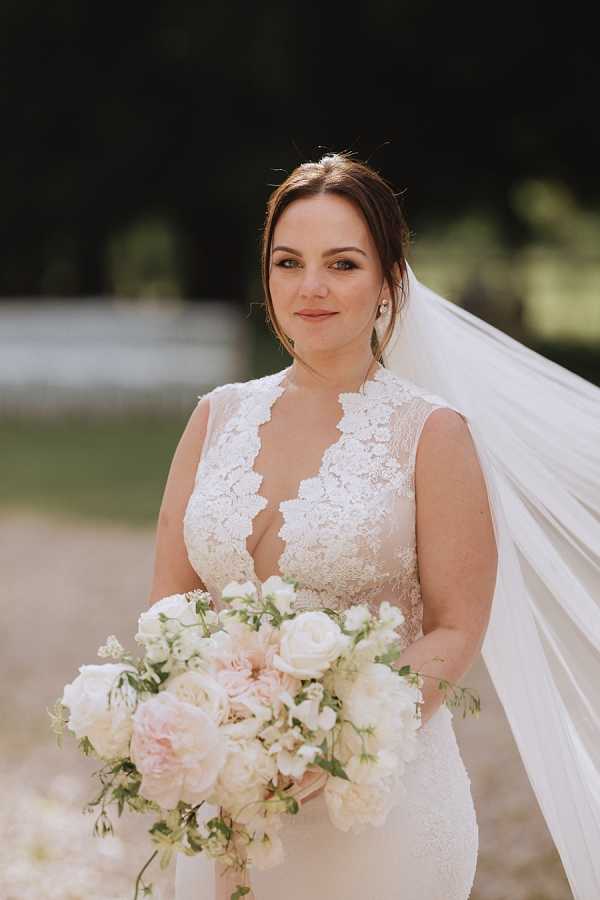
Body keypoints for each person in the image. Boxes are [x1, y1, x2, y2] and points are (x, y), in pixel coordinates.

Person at [149, 153, 600, 899]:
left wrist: (333, 743)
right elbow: (170, 595)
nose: (311, 287)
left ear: (390, 281)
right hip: (223, 800)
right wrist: (202, 721)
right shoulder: (214, 418)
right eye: (288, 262)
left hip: (377, 812)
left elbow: (456, 628)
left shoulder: (433, 434)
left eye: (343, 263)